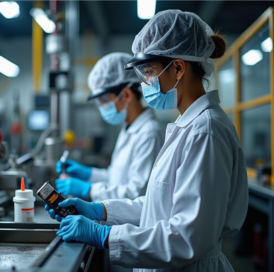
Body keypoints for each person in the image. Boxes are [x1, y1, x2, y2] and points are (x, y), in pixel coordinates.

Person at [47, 10, 248, 272]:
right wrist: (100, 210)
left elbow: (186, 238)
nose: (144, 83)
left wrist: (104, 235)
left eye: (149, 71)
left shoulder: (204, 132)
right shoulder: (187, 126)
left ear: (178, 68)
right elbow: (157, 206)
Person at [53, 52, 163, 202]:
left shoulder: (149, 133)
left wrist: (88, 189)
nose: (102, 107)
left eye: (104, 99)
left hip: (131, 223)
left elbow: (137, 193)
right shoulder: (128, 128)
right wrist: (87, 173)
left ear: (126, 95)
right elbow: (115, 178)